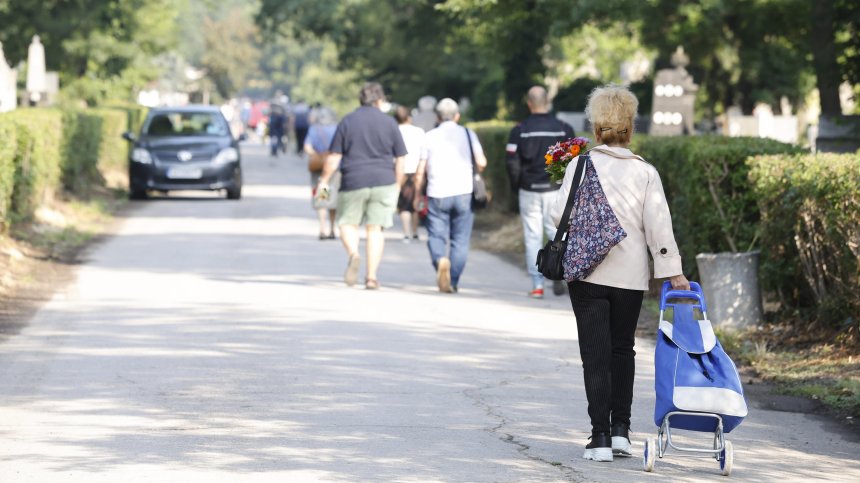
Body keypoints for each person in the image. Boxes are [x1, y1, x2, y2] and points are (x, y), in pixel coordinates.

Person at [551, 85, 690, 462]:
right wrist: (672, 271)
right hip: (630, 278)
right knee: (621, 350)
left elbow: (555, 216)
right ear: (630, 128)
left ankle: (598, 437)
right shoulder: (645, 172)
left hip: (588, 274)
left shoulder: (580, 166)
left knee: (594, 355)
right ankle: (621, 432)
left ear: (596, 129)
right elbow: (658, 225)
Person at [317, 82, 407, 290]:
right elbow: (400, 158)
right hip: (384, 180)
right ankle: (372, 277)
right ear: (379, 100)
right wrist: (398, 184)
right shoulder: (389, 123)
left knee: (347, 223)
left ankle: (354, 254)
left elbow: (334, 156)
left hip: (354, 180)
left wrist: (324, 180)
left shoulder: (347, 121)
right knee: (375, 229)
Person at [507, 86, 575, 299]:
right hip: (555, 190)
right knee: (557, 234)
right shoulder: (564, 129)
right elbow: (574, 161)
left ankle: (537, 285)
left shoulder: (519, 130)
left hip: (529, 189)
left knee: (532, 236)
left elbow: (512, 162)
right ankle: (558, 274)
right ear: (548, 102)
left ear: (529, 103)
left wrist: (516, 185)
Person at [414, 98, 487, 293]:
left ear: (437, 117)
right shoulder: (467, 133)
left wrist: (416, 195)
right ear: (457, 116)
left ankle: (440, 261)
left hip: (437, 192)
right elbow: (482, 162)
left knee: (436, 235)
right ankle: (453, 280)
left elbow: (421, 170)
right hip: (464, 191)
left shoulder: (429, 136)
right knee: (460, 240)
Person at [304, 107, 339, 240]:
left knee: (322, 196)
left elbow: (307, 147)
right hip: (335, 167)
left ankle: (322, 228)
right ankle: (332, 229)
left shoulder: (314, 129)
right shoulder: (337, 128)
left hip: (318, 169)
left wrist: (318, 156)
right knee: (333, 197)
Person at [394, 105, 426, 242]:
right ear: (409, 117)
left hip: (400, 170)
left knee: (403, 204)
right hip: (417, 169)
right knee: (416, 200)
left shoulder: (394, 131)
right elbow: (424, 153)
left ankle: (406, 232)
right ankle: (415, 231)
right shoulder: (419, 132)